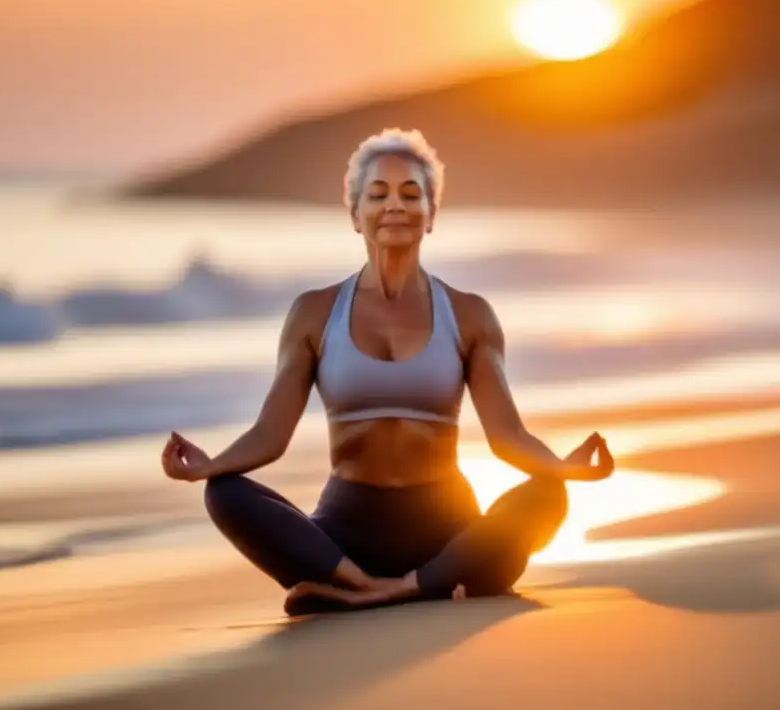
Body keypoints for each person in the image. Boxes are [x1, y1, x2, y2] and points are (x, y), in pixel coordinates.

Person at [160, 128, 615, 616]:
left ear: (432, 215)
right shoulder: (314, 314)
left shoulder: (469, 315)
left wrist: (563, 468)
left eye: (410, 193)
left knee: (548, 492)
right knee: (225, 494)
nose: (394, 205)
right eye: (377, 194)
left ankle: (388, 590)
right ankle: (365, 581)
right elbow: (271, 434)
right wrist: (209, 468)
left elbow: (508, 436)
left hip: (449, 531)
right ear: (356, 215)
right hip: (344, 534)